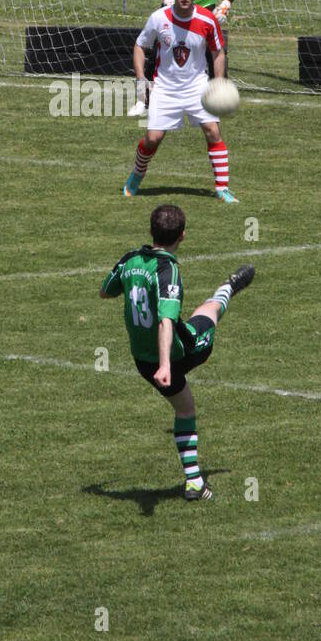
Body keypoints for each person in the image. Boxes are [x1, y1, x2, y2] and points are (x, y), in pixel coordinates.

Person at [100, 203, 255, 501]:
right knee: (209, 313)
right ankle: (229, 287)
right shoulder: (168, 270)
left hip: (142, 361)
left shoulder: (130, 259)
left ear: (150, 230)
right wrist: (166, 365)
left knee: (184, 408)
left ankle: (195, 482)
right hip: (176, 355)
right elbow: (165, 322)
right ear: (182, 236)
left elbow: (105, 290)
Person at [123, 0, 238, 203]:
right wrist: (140, 79)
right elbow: (139, 45)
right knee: (153, 138)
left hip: (197, 86)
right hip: (164, 88)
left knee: (213, 131)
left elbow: (217, 51)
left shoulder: (207, 20)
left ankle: (222, 188)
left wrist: (218, 82)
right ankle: (135, 176)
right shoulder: (159, 17)